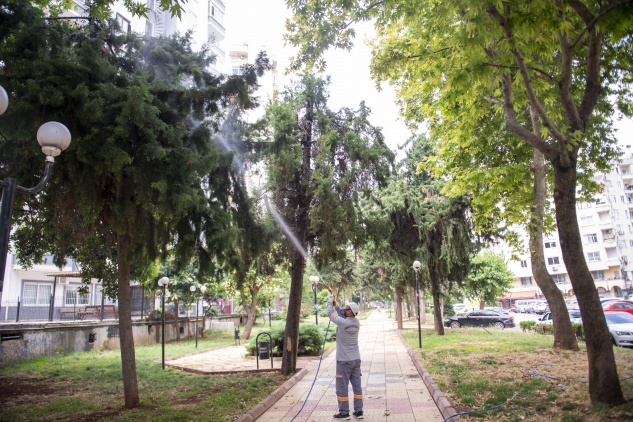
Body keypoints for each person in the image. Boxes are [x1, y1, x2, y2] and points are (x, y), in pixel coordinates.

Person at [327, 295, 363, 420]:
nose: (344, 308)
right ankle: (359, 411)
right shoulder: (356, 322)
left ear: (349, 312)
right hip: (356, 360)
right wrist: (336, 304)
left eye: (346, 307)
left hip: (344, 361)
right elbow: (341, 314)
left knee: (342, 387)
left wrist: (330, 301)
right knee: (357, 386)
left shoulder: (342, 323)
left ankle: (344, 413)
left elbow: (330, 313)